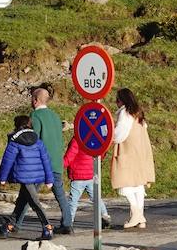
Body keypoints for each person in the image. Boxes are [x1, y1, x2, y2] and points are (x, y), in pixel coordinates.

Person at [0, 114, 56, 241]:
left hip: (25, 177)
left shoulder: (14, 142)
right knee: (22, 201)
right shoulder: (38, 140)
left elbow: (7, 160)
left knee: (35, 203)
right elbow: (46, 160)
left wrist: (2, 177)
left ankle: (47, 227)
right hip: (39, 178)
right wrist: (49, 179)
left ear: (17, 126)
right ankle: (8, 226)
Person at [25, 85, 74, 235]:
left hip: (41, 165)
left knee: (29, 195)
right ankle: (67, 224)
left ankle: (15, 224)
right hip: (56, 163)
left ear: (35, 100)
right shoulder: (55, 116)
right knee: (60, 195)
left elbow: (34, 140)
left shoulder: (35, 117)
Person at [110, 88, 155, 230]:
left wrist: (109, 136)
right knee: (138, 184)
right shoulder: (138, 113)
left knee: (125, 183)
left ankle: (136, 214)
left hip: (128, 151)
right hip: (141, 151)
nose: (116, 102)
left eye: (117, 99)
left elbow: (120, 134)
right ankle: (140, 218)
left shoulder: (125, 113)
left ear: (122, 100)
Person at [63, 139, 112, 231]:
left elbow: (69, 157)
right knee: (96, 198)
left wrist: (60, 165)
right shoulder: (92, 138)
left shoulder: (76, 141)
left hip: (78, 175)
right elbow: (101, 153)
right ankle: (105, 215)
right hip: (91, 173)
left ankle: (69, 223)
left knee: (73, 200)